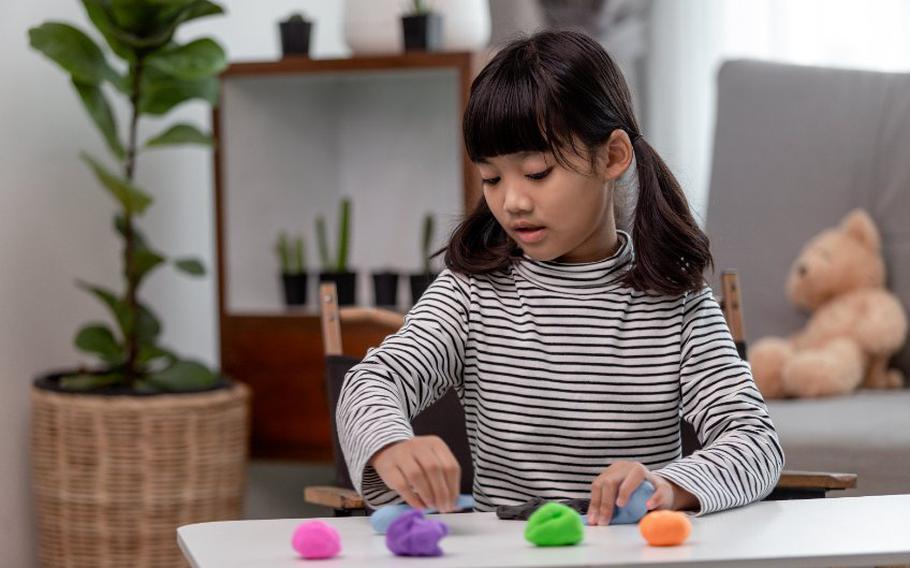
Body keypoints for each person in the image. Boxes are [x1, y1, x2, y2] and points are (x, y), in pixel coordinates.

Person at [337, 30, 783, 526]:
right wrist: (391, 443)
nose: (512, 201)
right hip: (509, 558)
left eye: (537, 172)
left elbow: (754, 440)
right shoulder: (470, 294)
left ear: (612, 157)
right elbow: (372, 381)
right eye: (491, 178)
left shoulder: (678, 304)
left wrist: (669, 485)